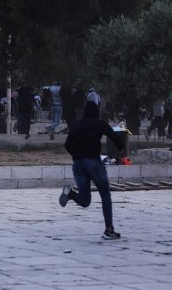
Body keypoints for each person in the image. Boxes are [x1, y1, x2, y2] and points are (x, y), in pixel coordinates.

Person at [58, 101, 125, 240]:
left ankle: (70, 193)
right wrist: (120, 150)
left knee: (85, 200)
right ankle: (109, 230)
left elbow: (67, 144)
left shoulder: (76, 124)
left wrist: (76, 156)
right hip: (93, 162)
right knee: (105, 195)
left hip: (78, 164)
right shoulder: (98, 123)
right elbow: (115, 138)